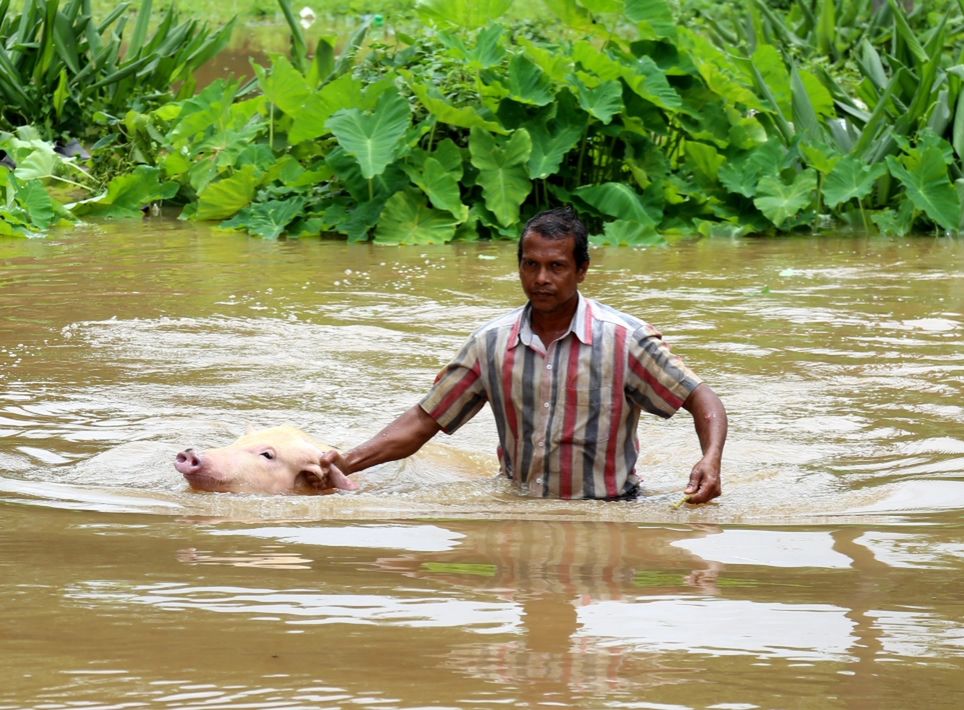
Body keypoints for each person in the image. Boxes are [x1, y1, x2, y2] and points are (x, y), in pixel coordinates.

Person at [321, 206, 727, 502]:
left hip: (609, 509)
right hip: (519, 509)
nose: (541, 279)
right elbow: (423, 421)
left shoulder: (625, 341)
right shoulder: (491, 343)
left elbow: (701, 398)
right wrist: (343, 466)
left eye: (556, 266)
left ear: (582, 269)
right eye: (530, 265)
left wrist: (710, 459)